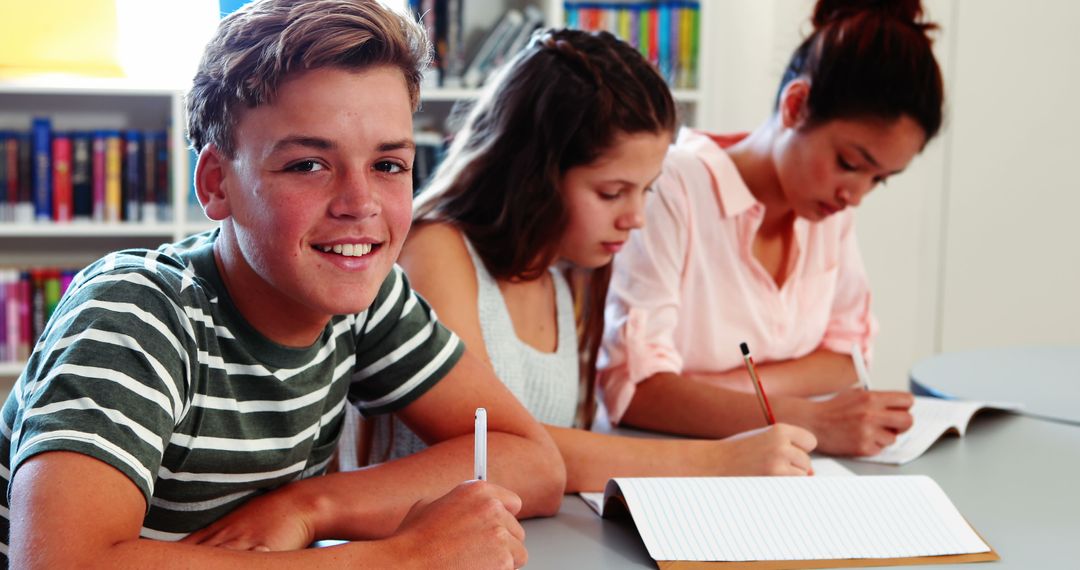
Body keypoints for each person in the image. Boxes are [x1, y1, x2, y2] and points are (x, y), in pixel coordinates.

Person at [1, 1, 565, 567]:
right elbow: (58, 563)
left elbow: (532, 462)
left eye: (388, 165)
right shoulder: (137, 312)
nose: (360, 204)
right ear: (217, 183)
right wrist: (399, 560)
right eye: (307, 165)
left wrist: (307, 506)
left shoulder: (366, 298)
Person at [365, 28, 817, 494]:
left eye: (647, 189)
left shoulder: (565, 275)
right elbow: (496, 451)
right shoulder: (438, 250)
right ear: (532, 175)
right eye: (611, 192)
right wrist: (721, 460)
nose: (636, 218)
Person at [600, 0, 943, 457]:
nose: (856, 194)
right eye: (849, 163)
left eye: (877, 179)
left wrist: (712, 389)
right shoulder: (672, 186)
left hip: (786, 466)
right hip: (669, 465)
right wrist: (811, 416)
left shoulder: (827, 209)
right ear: (796, 105)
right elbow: (636, 392)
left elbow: (850, 357)